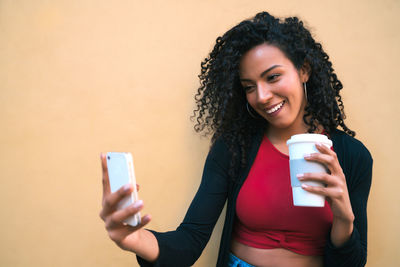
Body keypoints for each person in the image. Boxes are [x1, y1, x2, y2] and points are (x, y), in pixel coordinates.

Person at [99, 11, 373, 267]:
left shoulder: (352, 157)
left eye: (273, 77)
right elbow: (190, 240)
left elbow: (352, 262)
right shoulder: (234, 148)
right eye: (249, 87)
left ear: (304, 70)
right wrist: (133, 240)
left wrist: (344, 219)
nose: (262, 96)